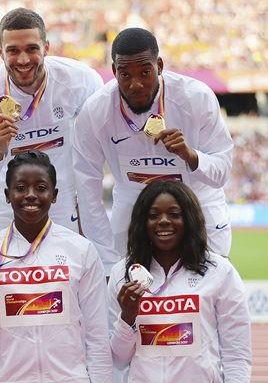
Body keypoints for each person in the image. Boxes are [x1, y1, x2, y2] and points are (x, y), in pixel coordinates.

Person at [73, 27, 233, 275]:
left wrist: (192, 157)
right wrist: (106, 262)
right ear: (114, 71)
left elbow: (222, 173)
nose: (135, 84)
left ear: (159, 65)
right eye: (125, 74)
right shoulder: (96, 112)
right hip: (133, 204)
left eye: (145, 72)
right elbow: (87, 192)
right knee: (133, 301)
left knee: (206, 293)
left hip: (197, 203)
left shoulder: (196, 98)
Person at [0, 150, 112, 382]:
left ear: (54, 195)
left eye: (41, 188)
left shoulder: (81, 250)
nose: (31, 195)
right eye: (21, 187)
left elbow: (97, 338)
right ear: (7, 195)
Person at [0, 7, 103, 235]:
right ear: (0, 52)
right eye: (13, 50)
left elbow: (100, 143)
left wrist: (86, 195)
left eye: (32, 48)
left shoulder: (81, 80)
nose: (23, 59)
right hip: (2, 201)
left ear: (46, 47)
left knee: (62, 269)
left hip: (59, 198)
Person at [107, 179, 251, 382]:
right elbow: (118, 360)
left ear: (190, 219)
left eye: (174, 214)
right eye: (153, 215)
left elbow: (237, 354)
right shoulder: (122, 274)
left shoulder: (219, 272)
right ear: (142, 222)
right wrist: (127, 318)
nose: (164, 221)